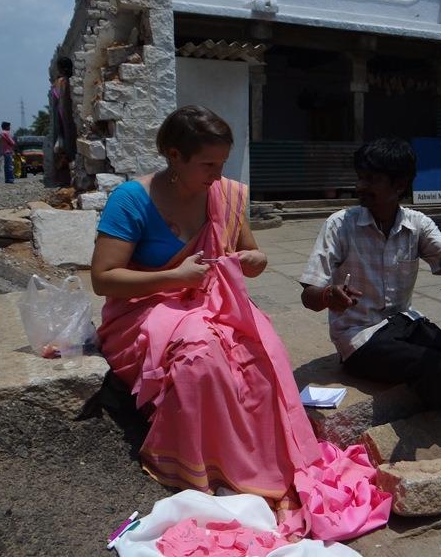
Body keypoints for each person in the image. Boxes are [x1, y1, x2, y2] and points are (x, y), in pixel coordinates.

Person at [92, 106, 389, 542]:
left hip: (209, 302)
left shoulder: (225, 195)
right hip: (144, 308)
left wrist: (256, 259)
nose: (217, 174)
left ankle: (256, 463)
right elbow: (104, 279)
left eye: (222, 163)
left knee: (260, 350)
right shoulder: (131, 200)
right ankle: (203, 465)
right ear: (174, 156)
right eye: (207, 164)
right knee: (202, 358)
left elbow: (252, 255)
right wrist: (175, 277)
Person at [299, 138, 441, 451]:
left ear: (399, 185)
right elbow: (309, 294)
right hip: (359, 338)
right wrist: (327, 296)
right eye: (360, 177)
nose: (360, 186)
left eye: (371, 180)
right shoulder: (340, 225)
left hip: (403, 323)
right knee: (430, 365)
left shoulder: (417, 225)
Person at [50, 56, 76, 187]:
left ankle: (64, 181)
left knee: (62, 152)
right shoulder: (71, 81)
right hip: (72, 123)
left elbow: (56, 105)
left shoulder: (59, 83)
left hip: (61, 122)